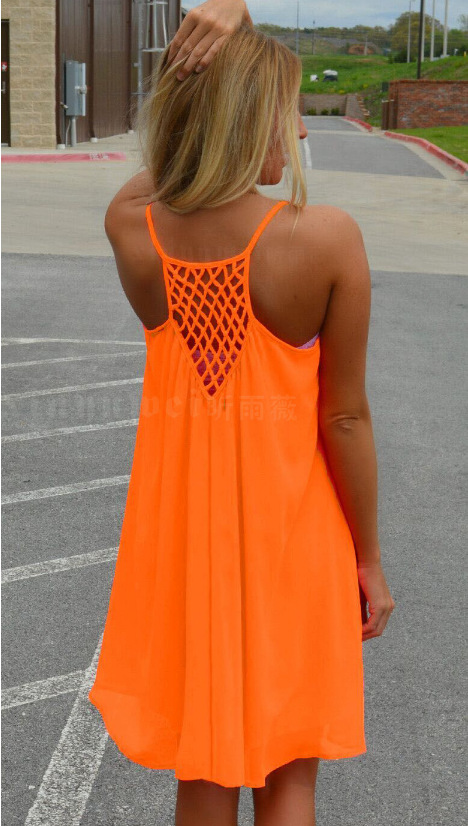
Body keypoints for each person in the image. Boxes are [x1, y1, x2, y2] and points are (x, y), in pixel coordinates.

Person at [87, 2, 396, 825]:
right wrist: (367, 560)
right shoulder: (325, 238)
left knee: (204, 772)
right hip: (297, 542)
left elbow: (158, 170)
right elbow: (345, 419)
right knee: (290, 775)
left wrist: (200, 69)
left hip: (189, 553)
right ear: (247, 117)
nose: (301, 130)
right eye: (287, 110)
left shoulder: (135, 230)